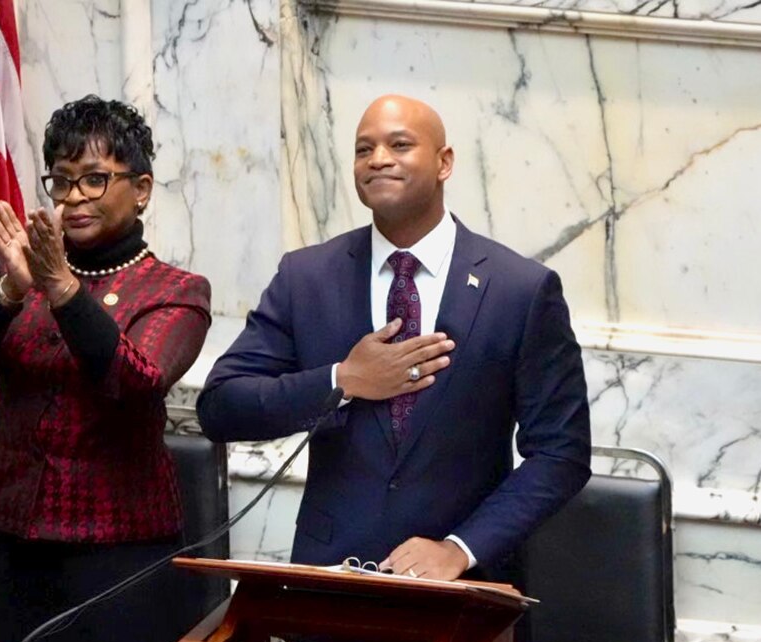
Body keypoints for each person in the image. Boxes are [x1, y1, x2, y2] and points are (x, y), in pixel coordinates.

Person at [197, 94, 591, 581]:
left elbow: (561, 453)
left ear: (444, 162)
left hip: (464, 594)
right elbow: (220, 406)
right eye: (364, 150)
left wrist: (461, 548)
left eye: (399, 144)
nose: (378, 159)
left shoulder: (520, 289)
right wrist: (343, 380)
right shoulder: (307, 277)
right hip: (329, 587)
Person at [0, 95, 211, 642]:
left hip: (119, 550)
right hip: (8, 538)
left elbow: (136, 382)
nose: (73, 198)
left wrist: (60, 286)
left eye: (94, 180)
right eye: (60, 181)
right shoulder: (19, 268)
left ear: (143, 189)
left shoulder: (175, 290)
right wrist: (10, 289)